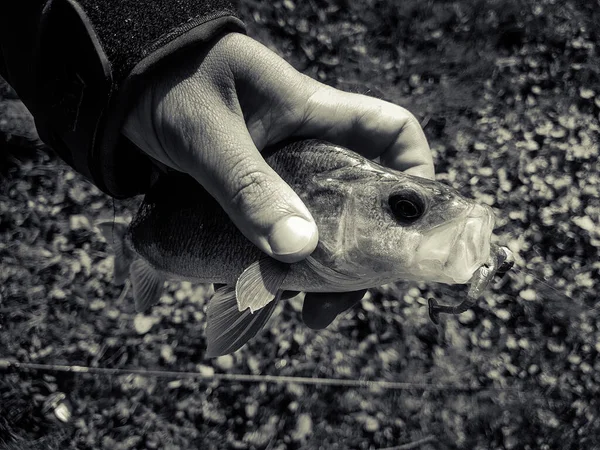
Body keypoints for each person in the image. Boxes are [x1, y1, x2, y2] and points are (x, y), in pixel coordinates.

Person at [0, 0, 434, 329]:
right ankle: (127, 248)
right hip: (154, 232)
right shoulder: (297, 225)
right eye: (405, 210)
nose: (408, 218)